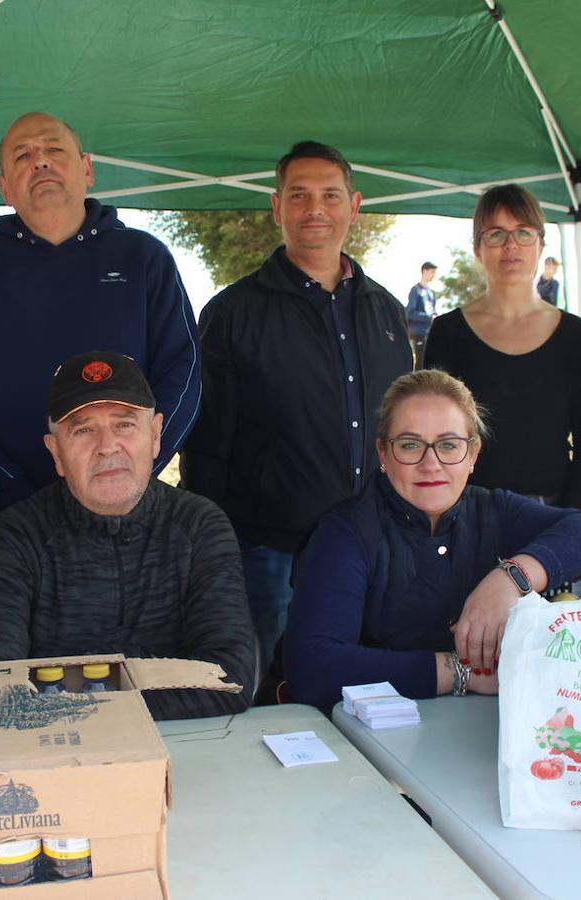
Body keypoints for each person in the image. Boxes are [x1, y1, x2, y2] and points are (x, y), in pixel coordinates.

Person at [0, 112, 199, 587]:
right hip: (6, 524)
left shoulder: (142, 257)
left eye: (54, 150)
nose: (41, 163)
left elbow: (185, 373)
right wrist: (7, 491)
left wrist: (126, 477)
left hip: (126, 520)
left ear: (87, 168)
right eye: (23, 156)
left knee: (133, 660)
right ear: (5, 185)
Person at [180, 141, 413, 684]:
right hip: (267, 553)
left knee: (356, 690)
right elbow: (206, 444)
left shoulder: (385, 309)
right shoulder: (232, 313)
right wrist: (212, 550)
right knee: (256, 687)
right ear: (277, 206)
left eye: (330, 196)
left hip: (368, 546)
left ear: (354, 207)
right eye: (300, 196)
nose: (315, 210)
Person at [283, 370, 581, 708]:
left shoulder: (492, 509)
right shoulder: (344, 533)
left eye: (448, 445)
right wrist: (463, 672)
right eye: (410, 445)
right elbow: (314, 669)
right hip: (359, 736)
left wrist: (511, 577)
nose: (430, 464)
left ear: (473, 455)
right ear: (383, 455)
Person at [0, 352, 255, 719]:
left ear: (155, 436)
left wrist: (69, 699)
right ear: (55, 453)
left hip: (187, 748)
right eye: (83, 430)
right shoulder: (14, 538)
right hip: (59, 755)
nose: (107, 446)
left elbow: (229, 680)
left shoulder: (200, 526)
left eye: (124, 425)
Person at [424, 184, 581, 508]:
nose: (510, 245)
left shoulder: (574, 334)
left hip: (550, 515)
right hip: (467, 516)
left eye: (523, 232)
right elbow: (433, 435)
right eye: (495, 234)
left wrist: (565, 518)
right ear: (477, 248)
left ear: (540, 244)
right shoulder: (448, 332)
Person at [405, 261, 439, 363]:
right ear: (425, 271)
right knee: (420, 362)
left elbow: (433, 311)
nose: (434, 275)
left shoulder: (431, 293)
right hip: (418, 333)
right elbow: (410, 312)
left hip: (429, 332)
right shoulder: (415, 290)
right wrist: (428, 317)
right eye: (432, 272)